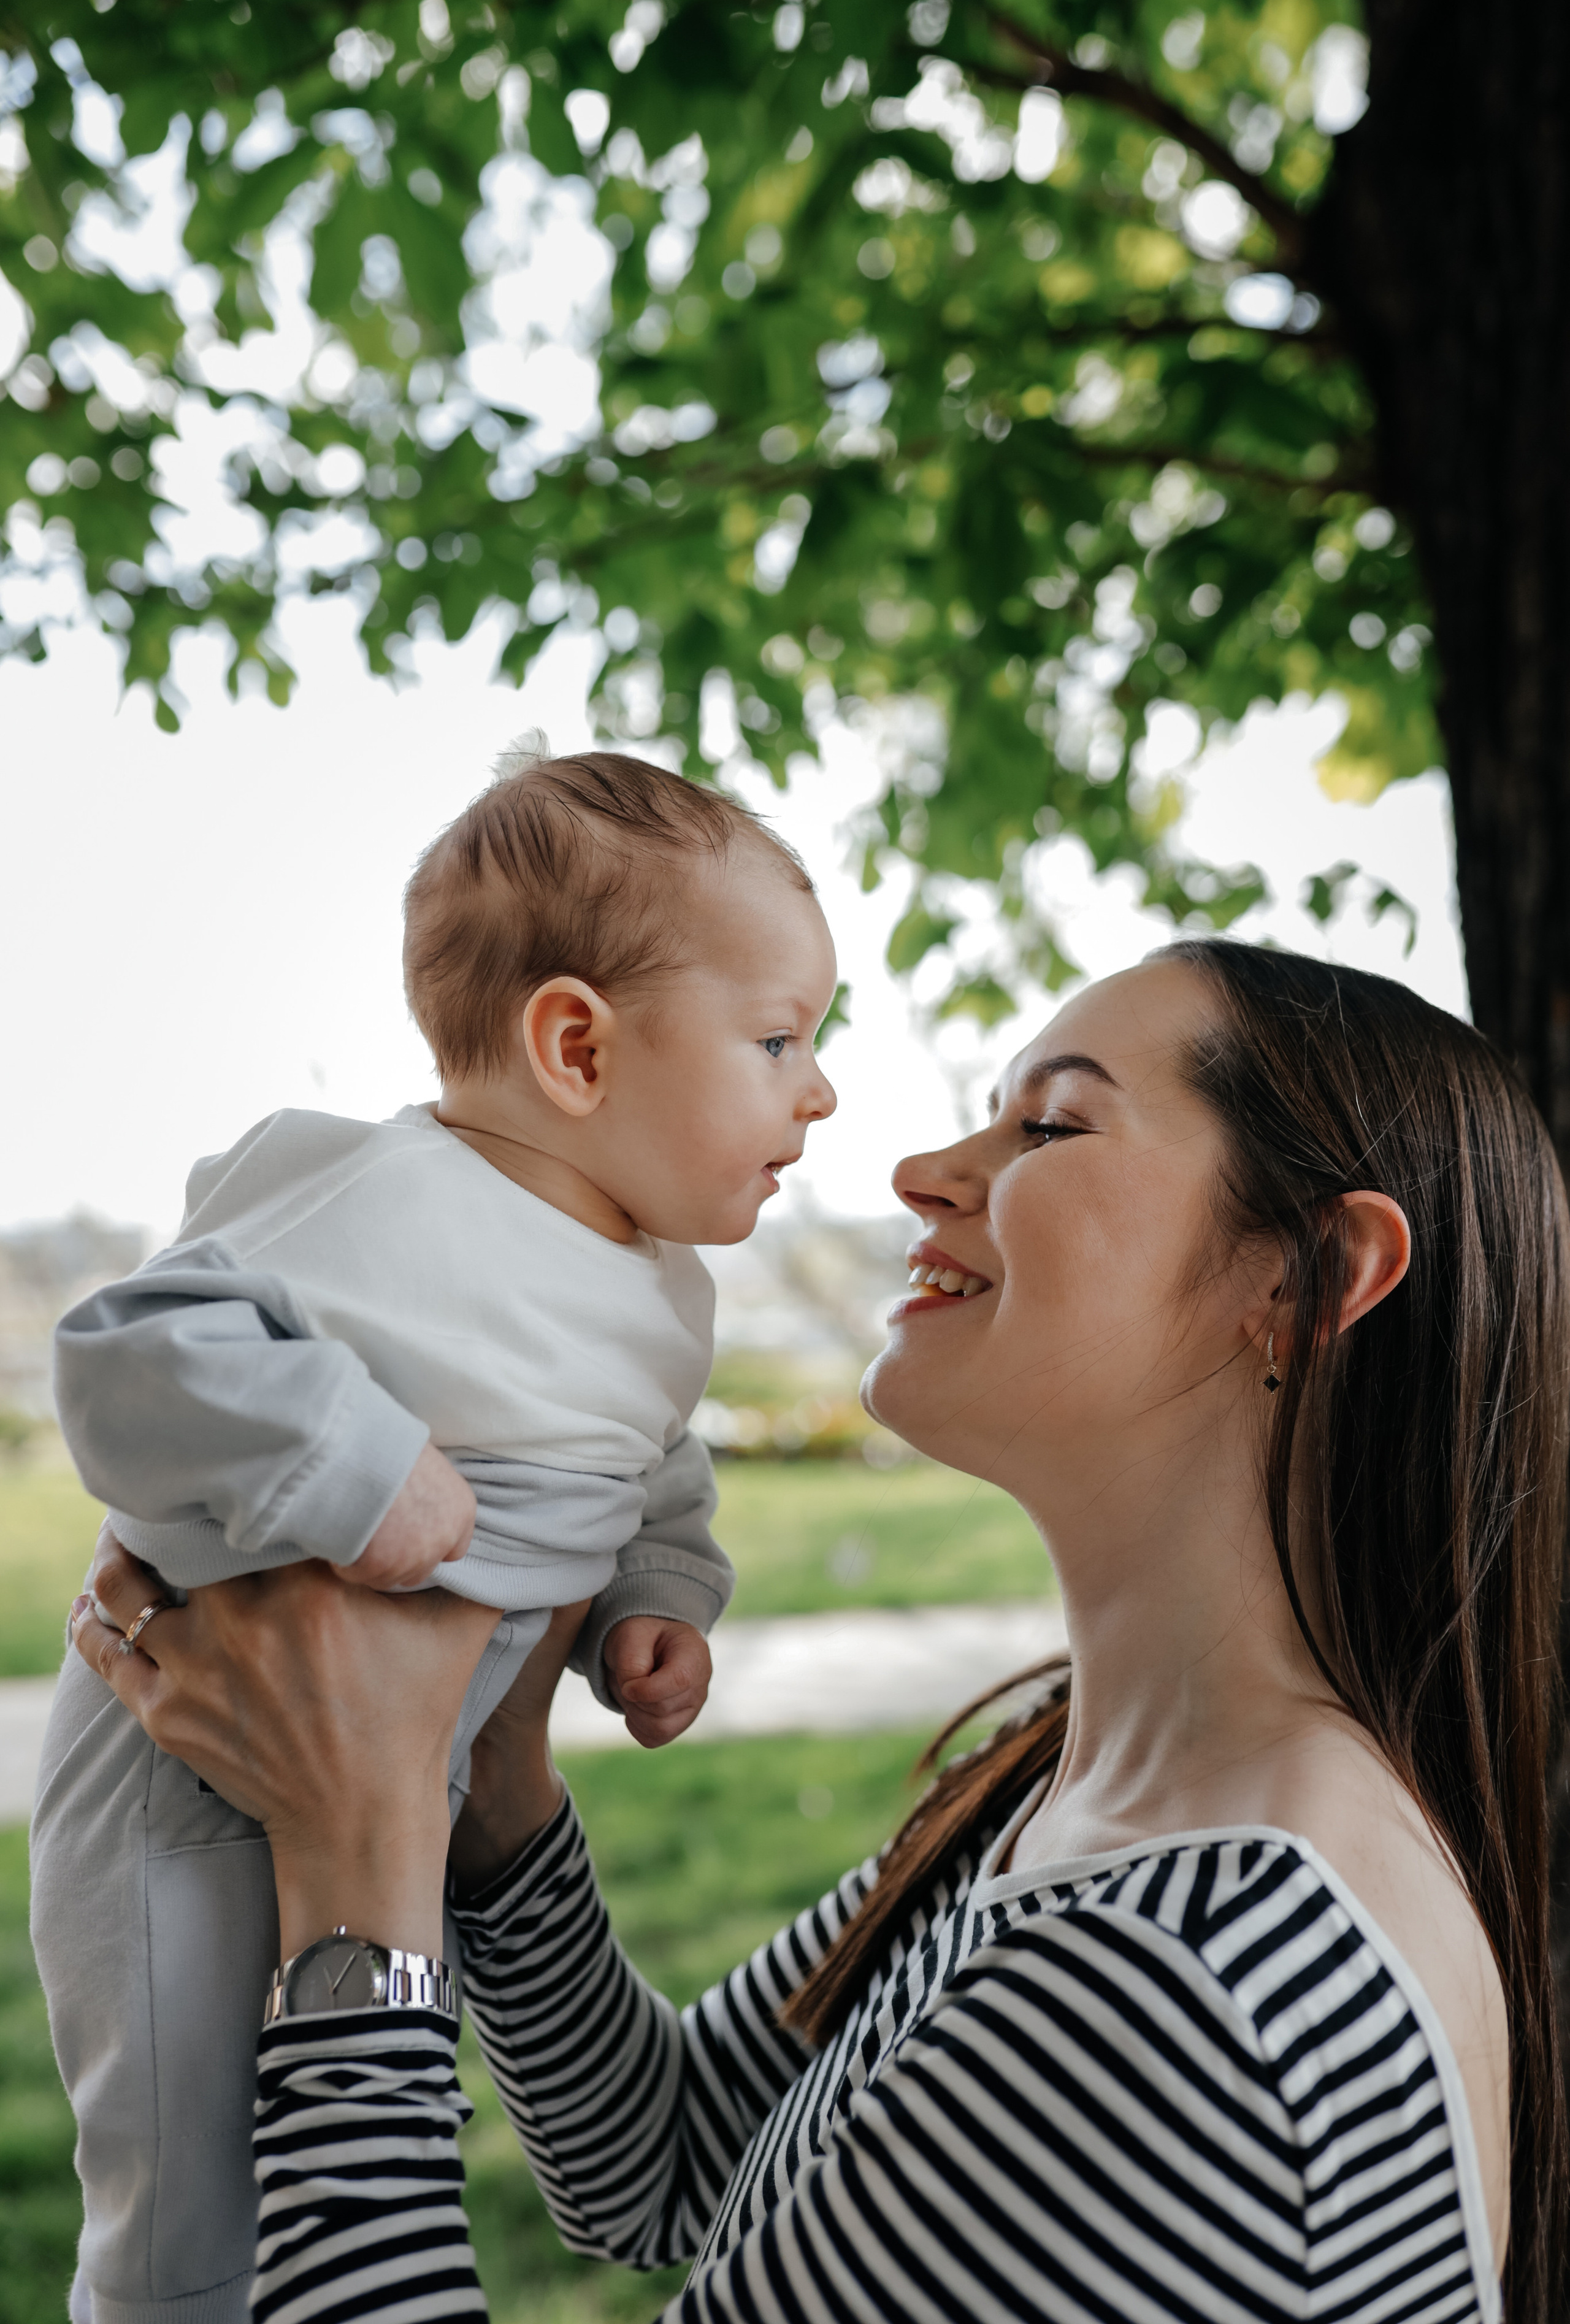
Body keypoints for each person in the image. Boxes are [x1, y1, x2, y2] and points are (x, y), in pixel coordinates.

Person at [67, 942, 1568, 2324]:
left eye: (1049, 1127)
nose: (919, 1171)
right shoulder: (1066, 1777)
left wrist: (358, 1871)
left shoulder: (1188, 1987)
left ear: (1301, 1277)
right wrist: (495, 1778)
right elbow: (662, 2160)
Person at [33, 751, 839, 2324]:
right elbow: (129, 1356)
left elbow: (643, 1458)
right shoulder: (376, 1195)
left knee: (338, 2119)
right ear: (575, 1047)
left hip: (416, 1779)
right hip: (186, 1759)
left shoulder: (656, 1283)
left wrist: (653, 1592)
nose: (818, 1092)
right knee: (186, 2165)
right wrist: (357, 1465)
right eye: (777, 1039)